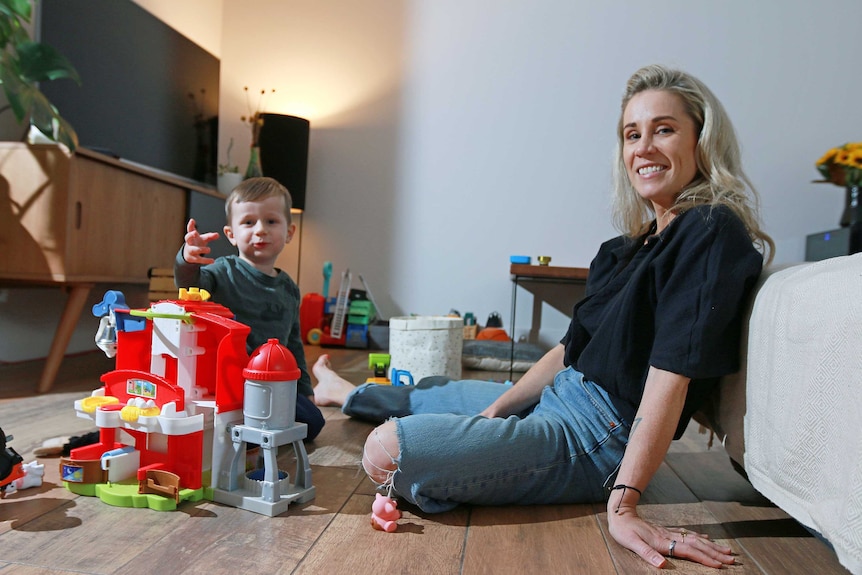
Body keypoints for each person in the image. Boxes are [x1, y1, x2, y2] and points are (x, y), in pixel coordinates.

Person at [312, 63, 774, 569]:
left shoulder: (710, 230)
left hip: (598, 435)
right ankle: (347, 393)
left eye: (664, 129)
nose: (643, 147)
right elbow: (568, 350)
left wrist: (624, 504)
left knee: (386, 450)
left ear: (701, 142)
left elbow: (672, 373)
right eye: (631, 134)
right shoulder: (628, 247)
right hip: (563, 394)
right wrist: (491, 417)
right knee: (437, 390)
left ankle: (379, 410)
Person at [175, 176, 325, 441]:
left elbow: (293, 345)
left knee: (313, 422)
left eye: (271, 221)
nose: (260, 230)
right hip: (225, 380)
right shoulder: (223, 271)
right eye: (248, 222)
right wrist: (188, 260)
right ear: (231, 234)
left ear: (289, 232)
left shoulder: (289, 289)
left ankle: (254, 427)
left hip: (271, 382)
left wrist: (303, 390)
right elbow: (191, 283)